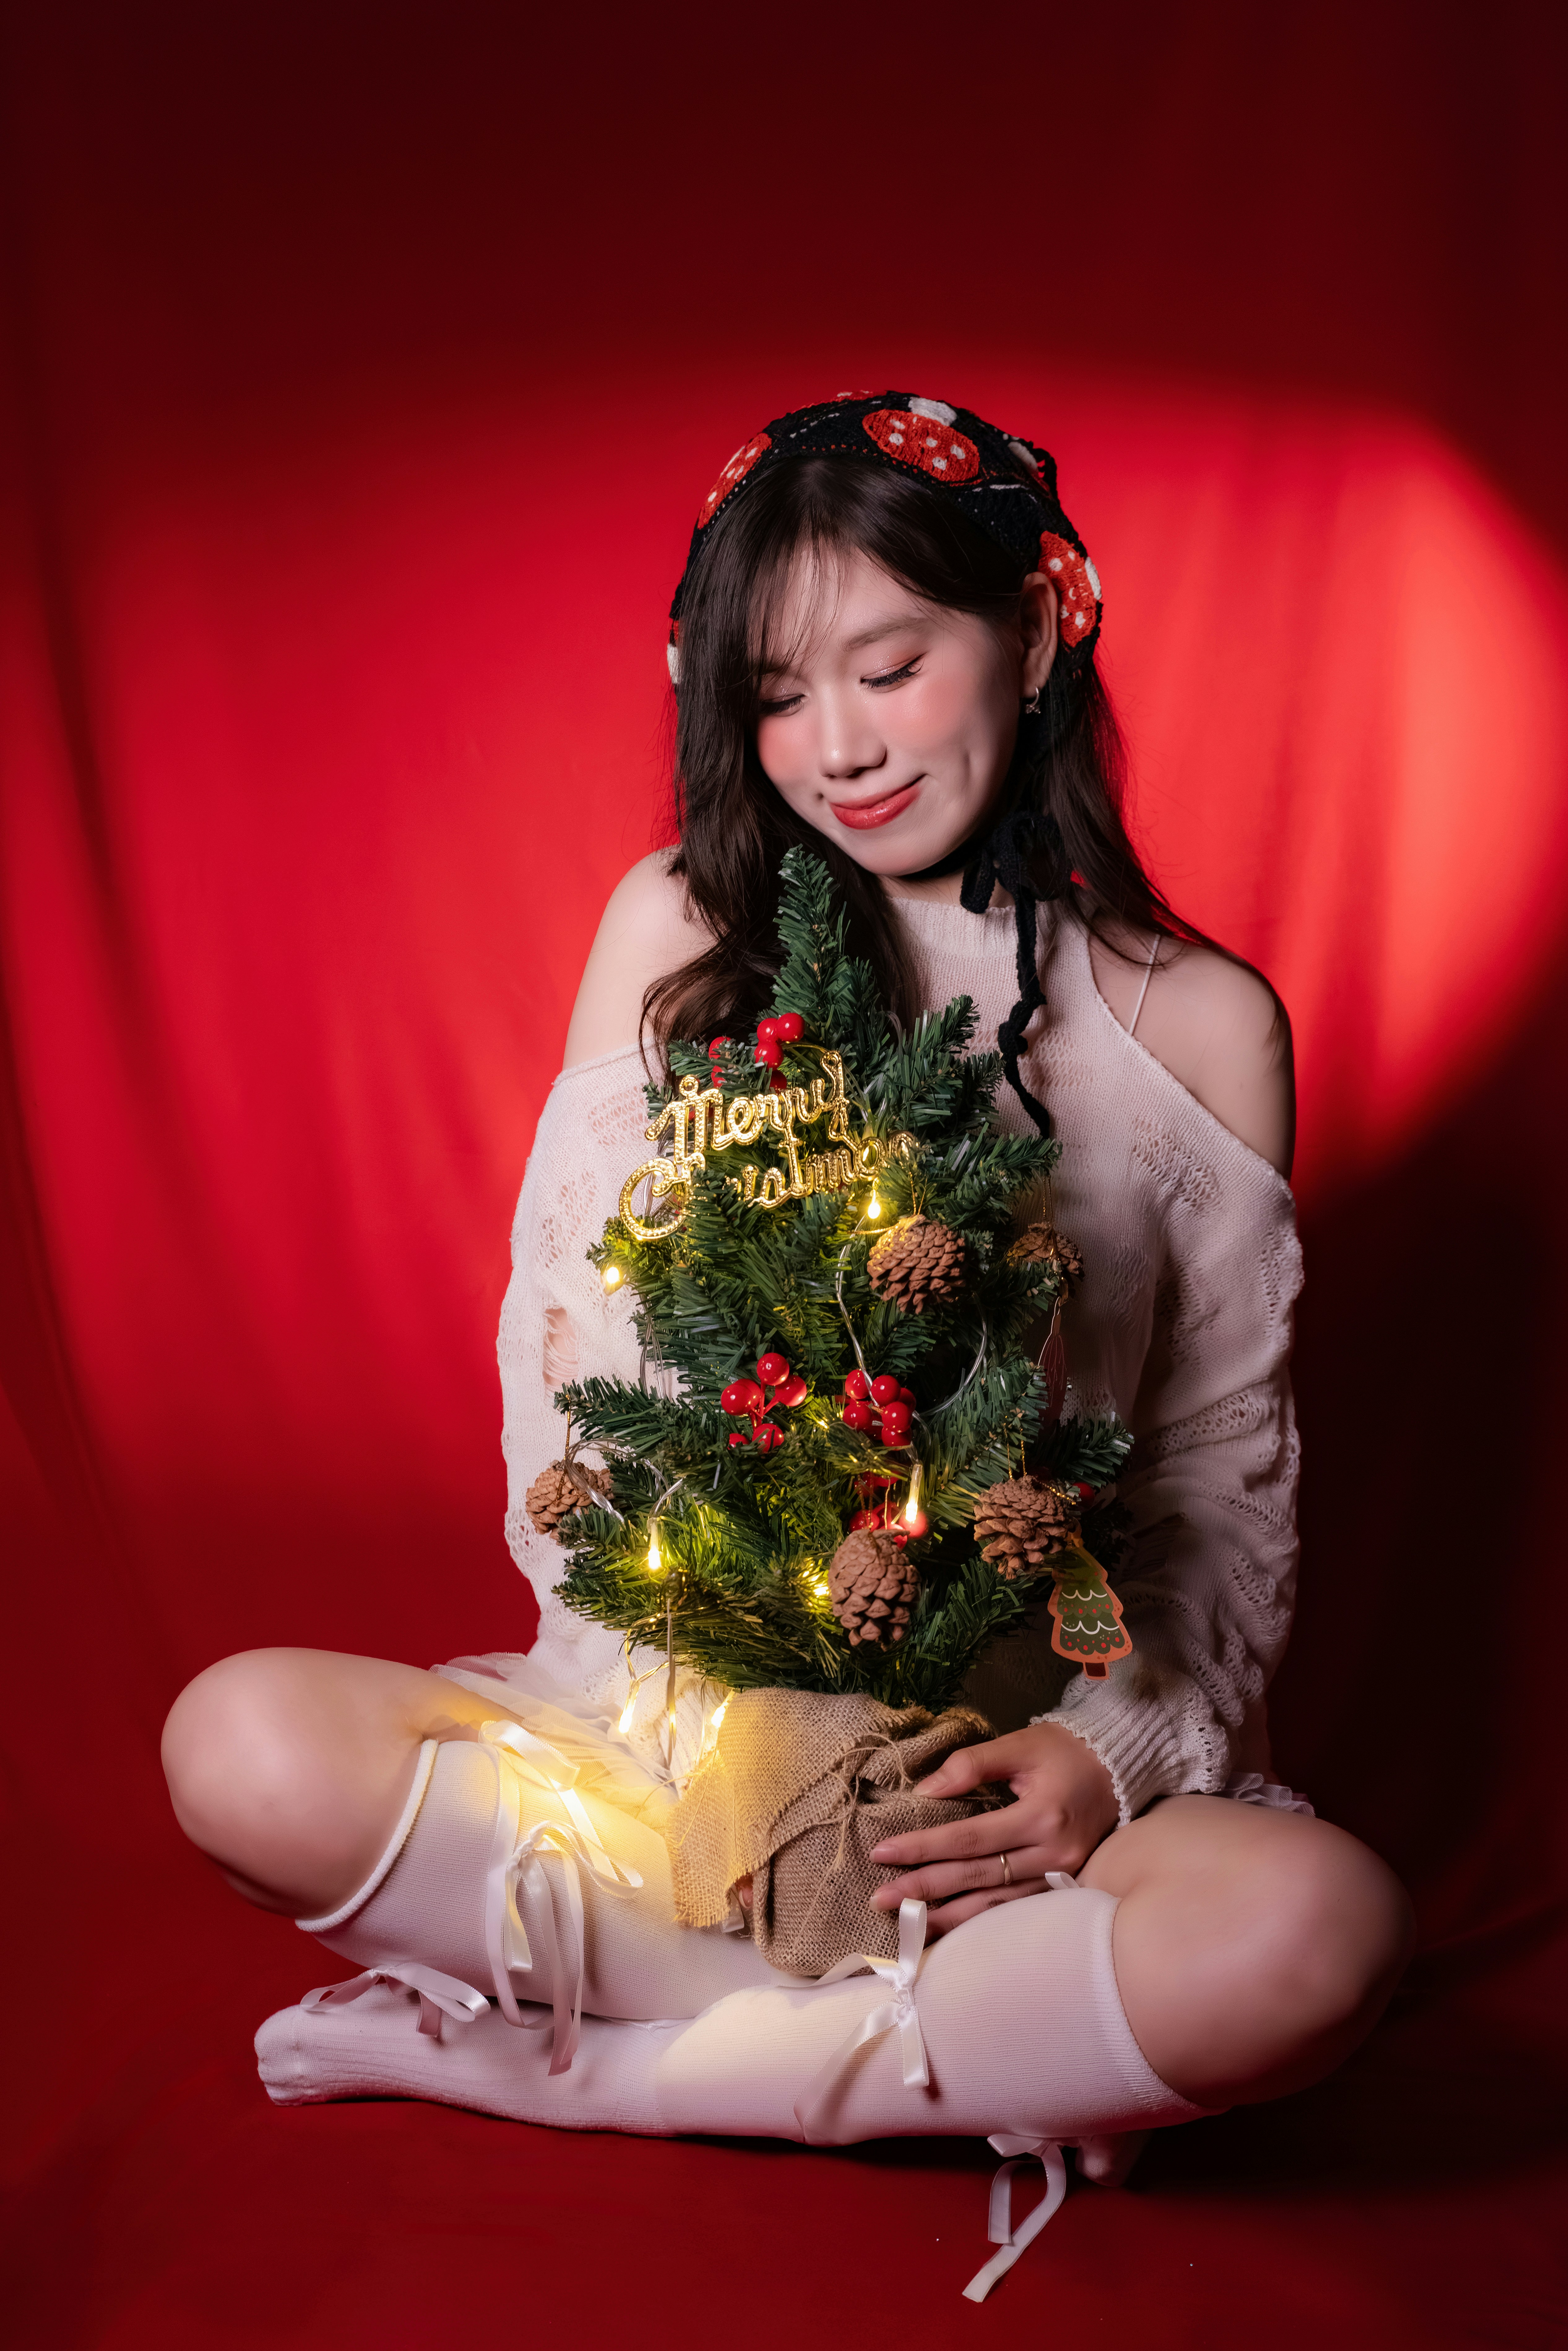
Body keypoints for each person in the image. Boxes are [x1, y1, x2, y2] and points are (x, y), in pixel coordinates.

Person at [162, 394, 1413, 2215]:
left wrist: (1093, 1758)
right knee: (238, 1742)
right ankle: (931, 2054)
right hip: (678, 1761)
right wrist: (724, 1752)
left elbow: (1218, 1501)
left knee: (1319, 1940)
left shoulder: (1205, 1022)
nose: (838, 749)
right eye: (773, 693)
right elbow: (569, 1386)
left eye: (890, 666)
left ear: (1043, 623)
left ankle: (601, 2073)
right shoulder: (672, 932)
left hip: (993, 1813)